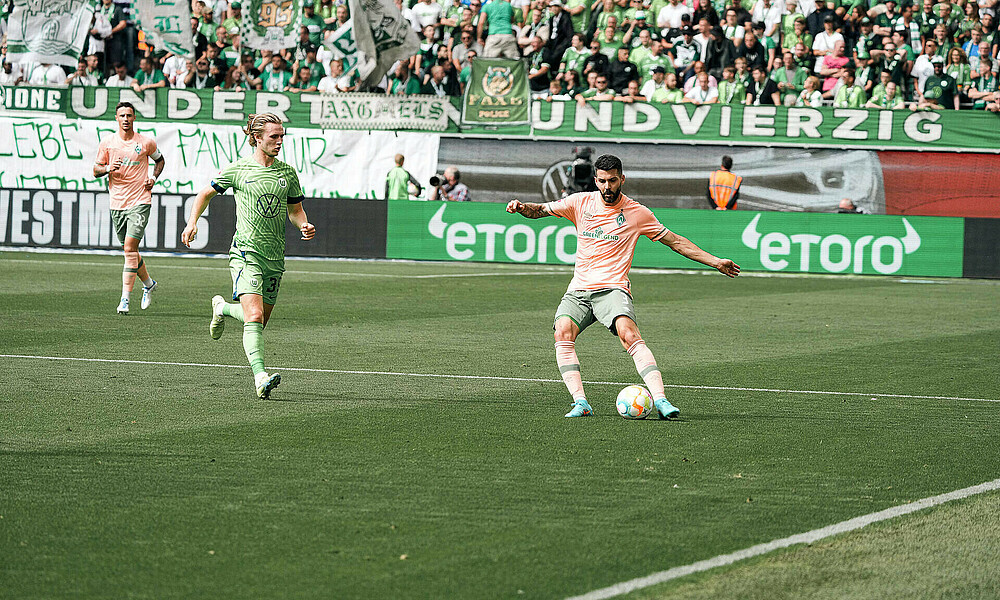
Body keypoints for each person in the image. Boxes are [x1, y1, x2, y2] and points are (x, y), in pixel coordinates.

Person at [505, 154, 740, 419]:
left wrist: (715, 261)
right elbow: (541, 210)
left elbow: (676, 242)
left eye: (613, 180)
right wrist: (521, 207)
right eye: (602, 181)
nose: (607, 186)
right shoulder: (579, 202)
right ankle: (581, 403)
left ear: (622, 179)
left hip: (612, 288)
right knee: (562, 332)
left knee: (629, 334)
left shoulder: (637, 213)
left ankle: (661, 401)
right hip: (579, 290)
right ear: (596, 180)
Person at [180, 113, 316, 399]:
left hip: (274, 256)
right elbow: (205, 193)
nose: (279, 142)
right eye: (273, 137)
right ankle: (260, 377)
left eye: (282, 136)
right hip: (245, 252)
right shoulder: (239, 170)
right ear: (257, 137)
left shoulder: (287, 174)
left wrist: (303, 224)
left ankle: (222, 308)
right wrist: (192, 223)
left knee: (258, 321)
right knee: (253, 316)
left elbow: (294, 211)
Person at [93, 102, 165, 315]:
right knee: (131, 251)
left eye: (129, 115)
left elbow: (160, 161)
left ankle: (125, 298)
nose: (126, 119)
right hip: (117, 203)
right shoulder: (107, 143)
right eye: (122, 115)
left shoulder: (145, 142)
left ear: (135, 118)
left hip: (140, 201)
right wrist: (107, 169)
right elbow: (95, 170)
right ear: (116, 118)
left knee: (128, 249)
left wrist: (152, 177)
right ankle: (149, 284)